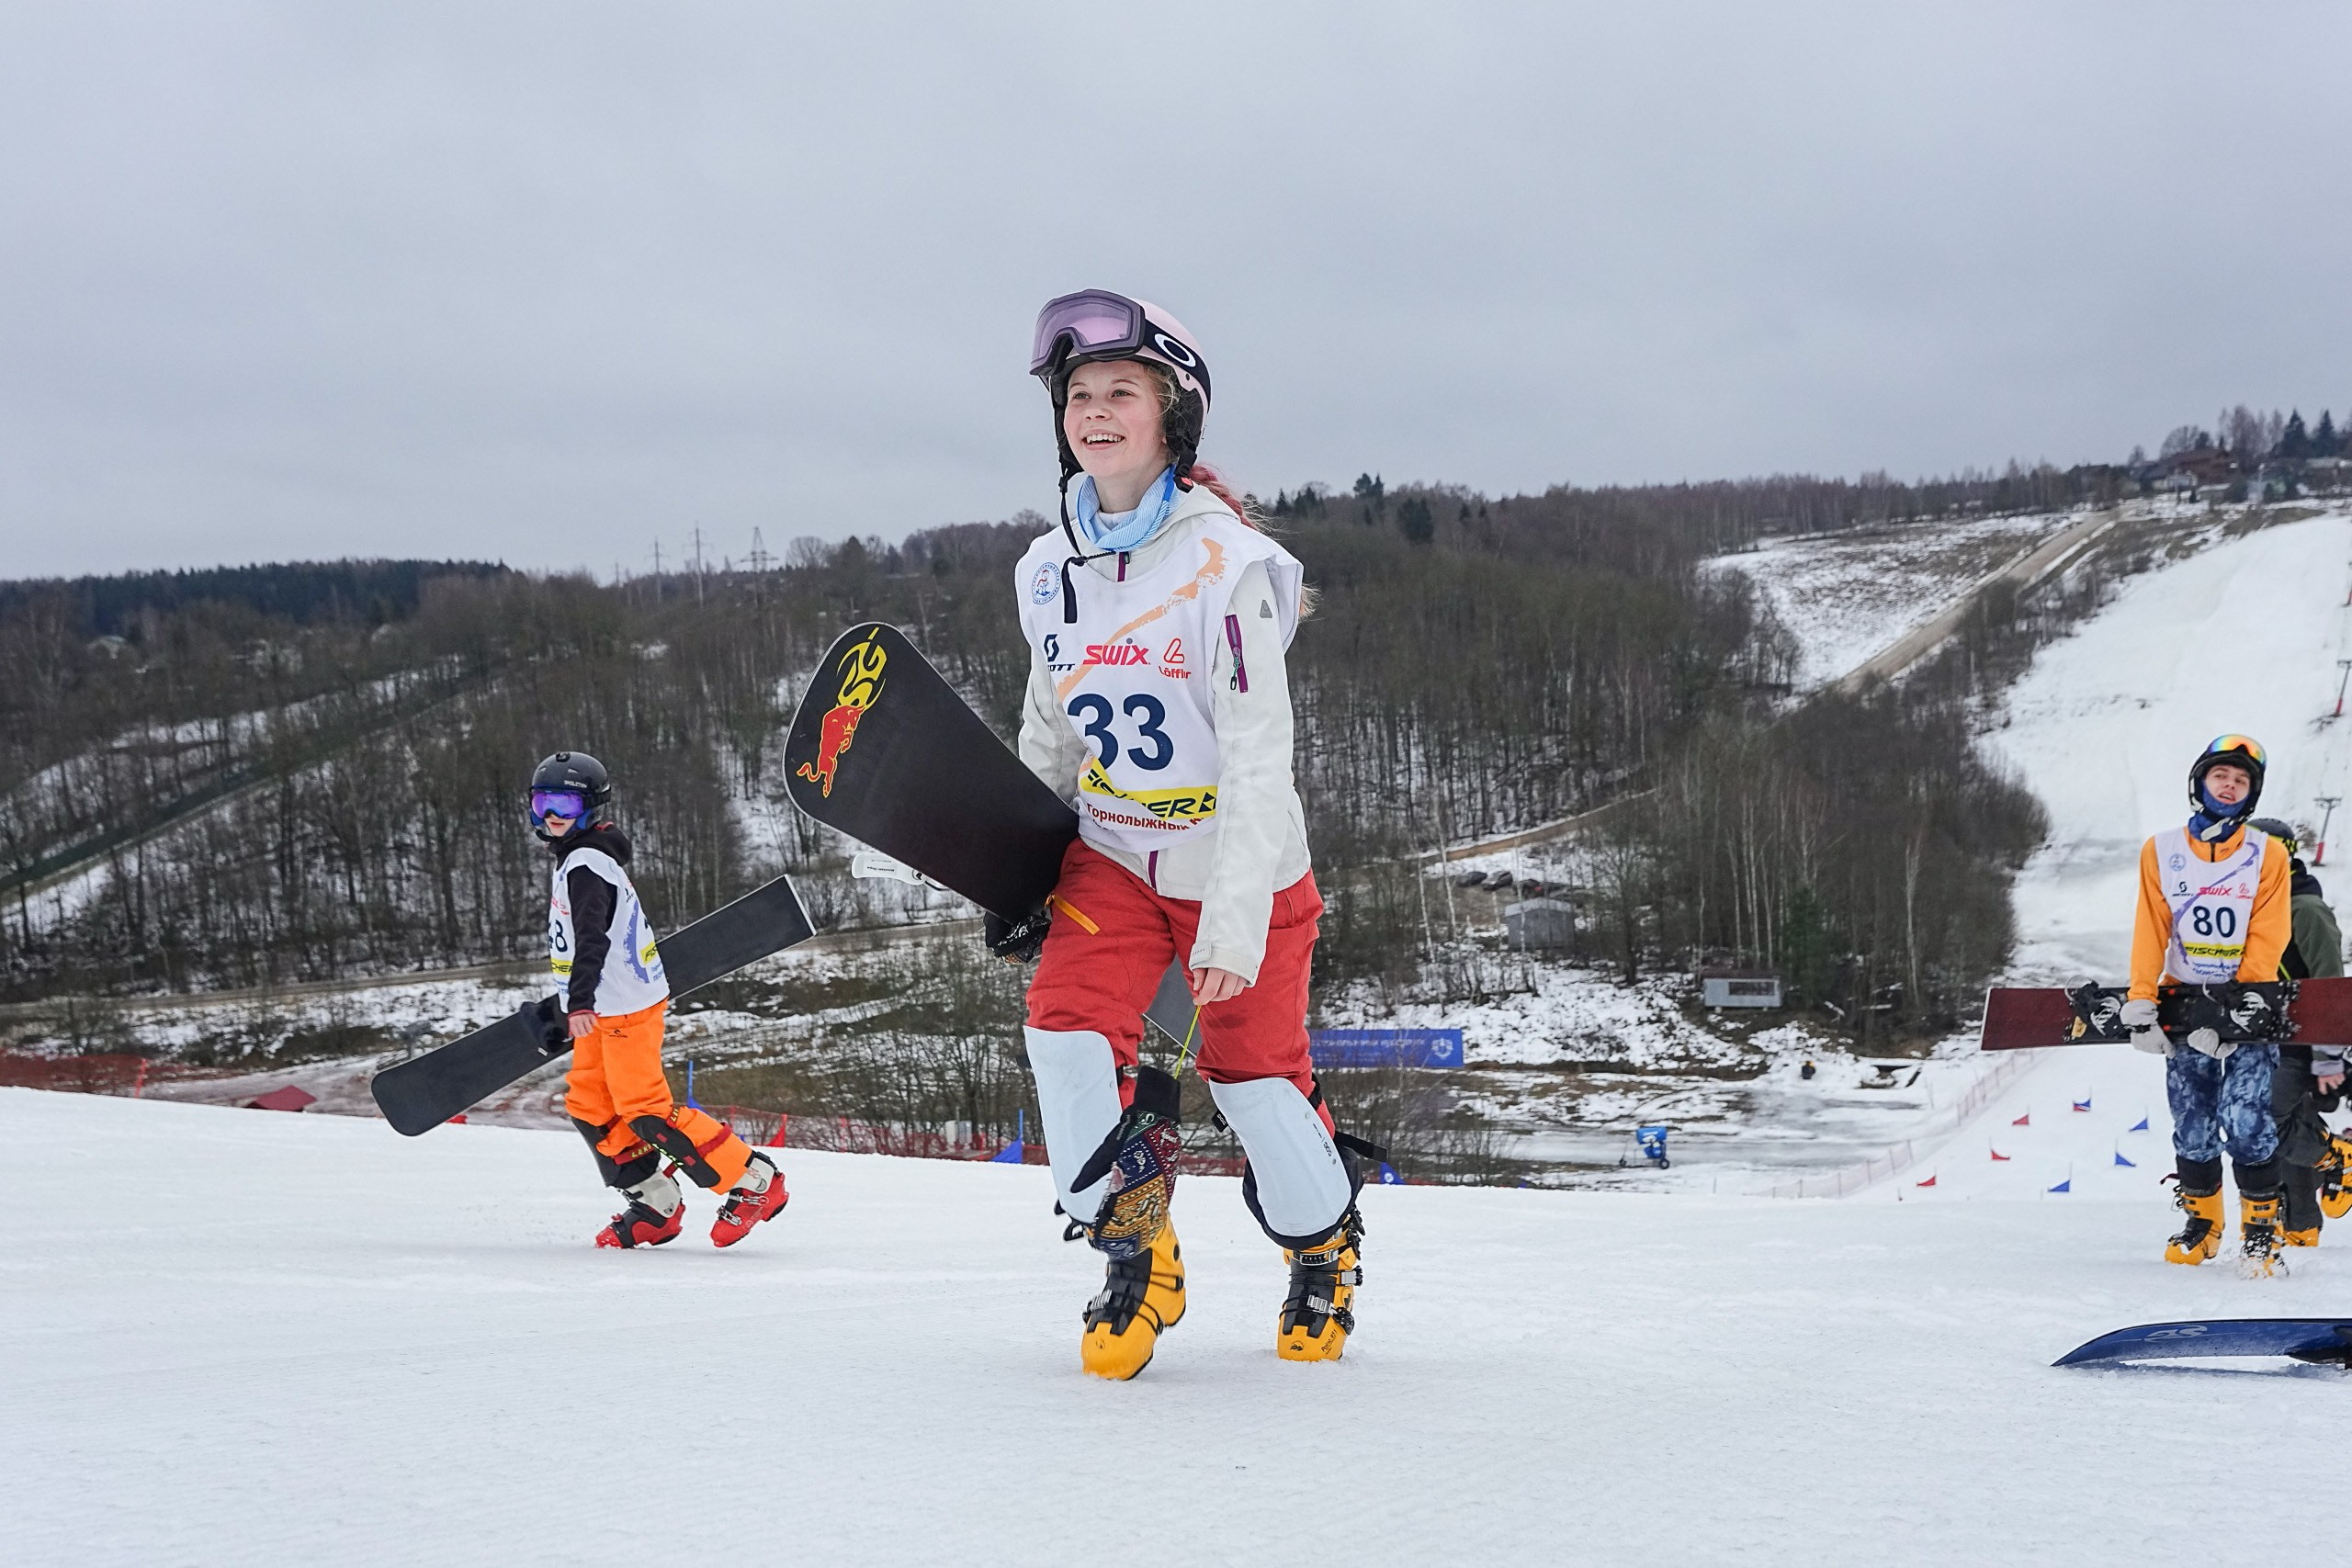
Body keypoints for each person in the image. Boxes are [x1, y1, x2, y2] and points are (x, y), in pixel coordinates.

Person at [994, 289, 1369, 1380]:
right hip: (1108, 853)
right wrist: (1014, 867)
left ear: (1173, 417)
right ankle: (1137, 1246)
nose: (1096, 412)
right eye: (1078, 395)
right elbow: (1048, 731)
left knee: (1256, 1087)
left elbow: (1261, 759)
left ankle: (1322, 1244)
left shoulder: (1229, 568)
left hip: (1232, 863)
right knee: (1064, 1037)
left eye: (1122, 392)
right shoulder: (1045, 568)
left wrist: (1237, 922)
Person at [528, 751, 789, 1249]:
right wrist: (576, 1001)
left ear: (590, 807)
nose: (552, 814)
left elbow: (591, 938)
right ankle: (655, 1202)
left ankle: (757, 1182)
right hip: (602, 1007)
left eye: (564, 802)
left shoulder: (587, 865)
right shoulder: (579, 858)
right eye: (543, 802)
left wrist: (577, 1001)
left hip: (620, 1007)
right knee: (590, 1105)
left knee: (645, 1110)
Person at [2121, 736, 2292, 1273]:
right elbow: (2151, 926)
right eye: (2221, 775)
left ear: (2251, 795)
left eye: (2241, 781)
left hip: (2246, 1005)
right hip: (2183, 1000)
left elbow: (2269, 935)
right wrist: (2142, 999)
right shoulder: (2161, 850)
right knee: (2191, 1119)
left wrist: (2233, 1016)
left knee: (2245, 1118)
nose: (2229, 785)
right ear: (2200, 782)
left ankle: (2263, 1230)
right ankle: (2203, 1224)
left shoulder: (2268, 854)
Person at [2248, 818, 2346, 1247]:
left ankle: (2338, 1161)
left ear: (2285, 855)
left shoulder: (2304, 909)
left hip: (2303, 1041)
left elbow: (2331, 986)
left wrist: (2328, 1056)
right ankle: (2301, 1227)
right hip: (2268, 1037)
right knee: (2295, 1122)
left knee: (2265, 1124)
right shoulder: (2254, 902)